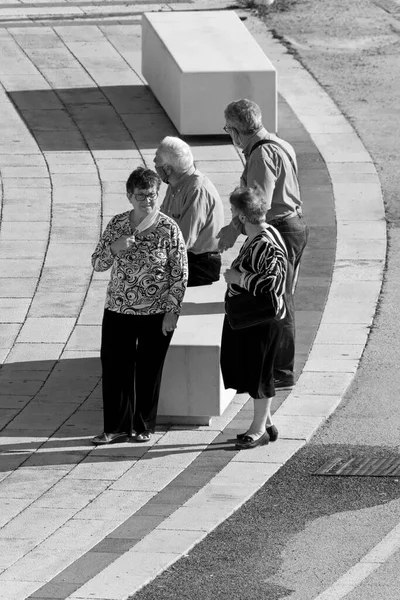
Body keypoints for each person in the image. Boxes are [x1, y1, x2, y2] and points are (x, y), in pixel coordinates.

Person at [91, 167, 188, 445]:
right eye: (142, 196)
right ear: (129, 196)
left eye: (152, 195)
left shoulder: (169, 228)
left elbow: (179, 272)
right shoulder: (117, 225)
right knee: (114, 368)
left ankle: (143, 425)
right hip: (118, 309)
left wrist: (173, 310)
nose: (148, 201)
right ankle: (115, 427)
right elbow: (98, 264)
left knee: (148, 370)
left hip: (155, 313)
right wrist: (114, 248)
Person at [218, 99, 309, 388]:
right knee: (282, 295)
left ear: (235, 131)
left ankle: (281, 372)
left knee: (279, 299)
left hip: (280, 227)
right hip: (293, 225)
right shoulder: (279, 143)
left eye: (227, 129)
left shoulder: (259, 156)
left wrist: (234, 230)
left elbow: (257, 205)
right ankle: (280, 368)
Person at [220, 186, 287, 449]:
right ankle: (266, 423)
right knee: (252, 372)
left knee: (260, 375)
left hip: (261, 321)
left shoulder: (265, 242)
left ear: (243, 216)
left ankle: (257, 430)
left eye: (234, 211)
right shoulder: (260, 235)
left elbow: (273, 284)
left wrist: (239, 278)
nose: (232, 215)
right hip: (252, 319)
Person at [154, 136, 224, 287]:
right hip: (186, 258)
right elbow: (162, 223)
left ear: (167, 169)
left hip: (200, 264)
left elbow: (184, 241)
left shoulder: (196, 190)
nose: (154, 163)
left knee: (147, 280)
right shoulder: (176, 183)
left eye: (157, 160)